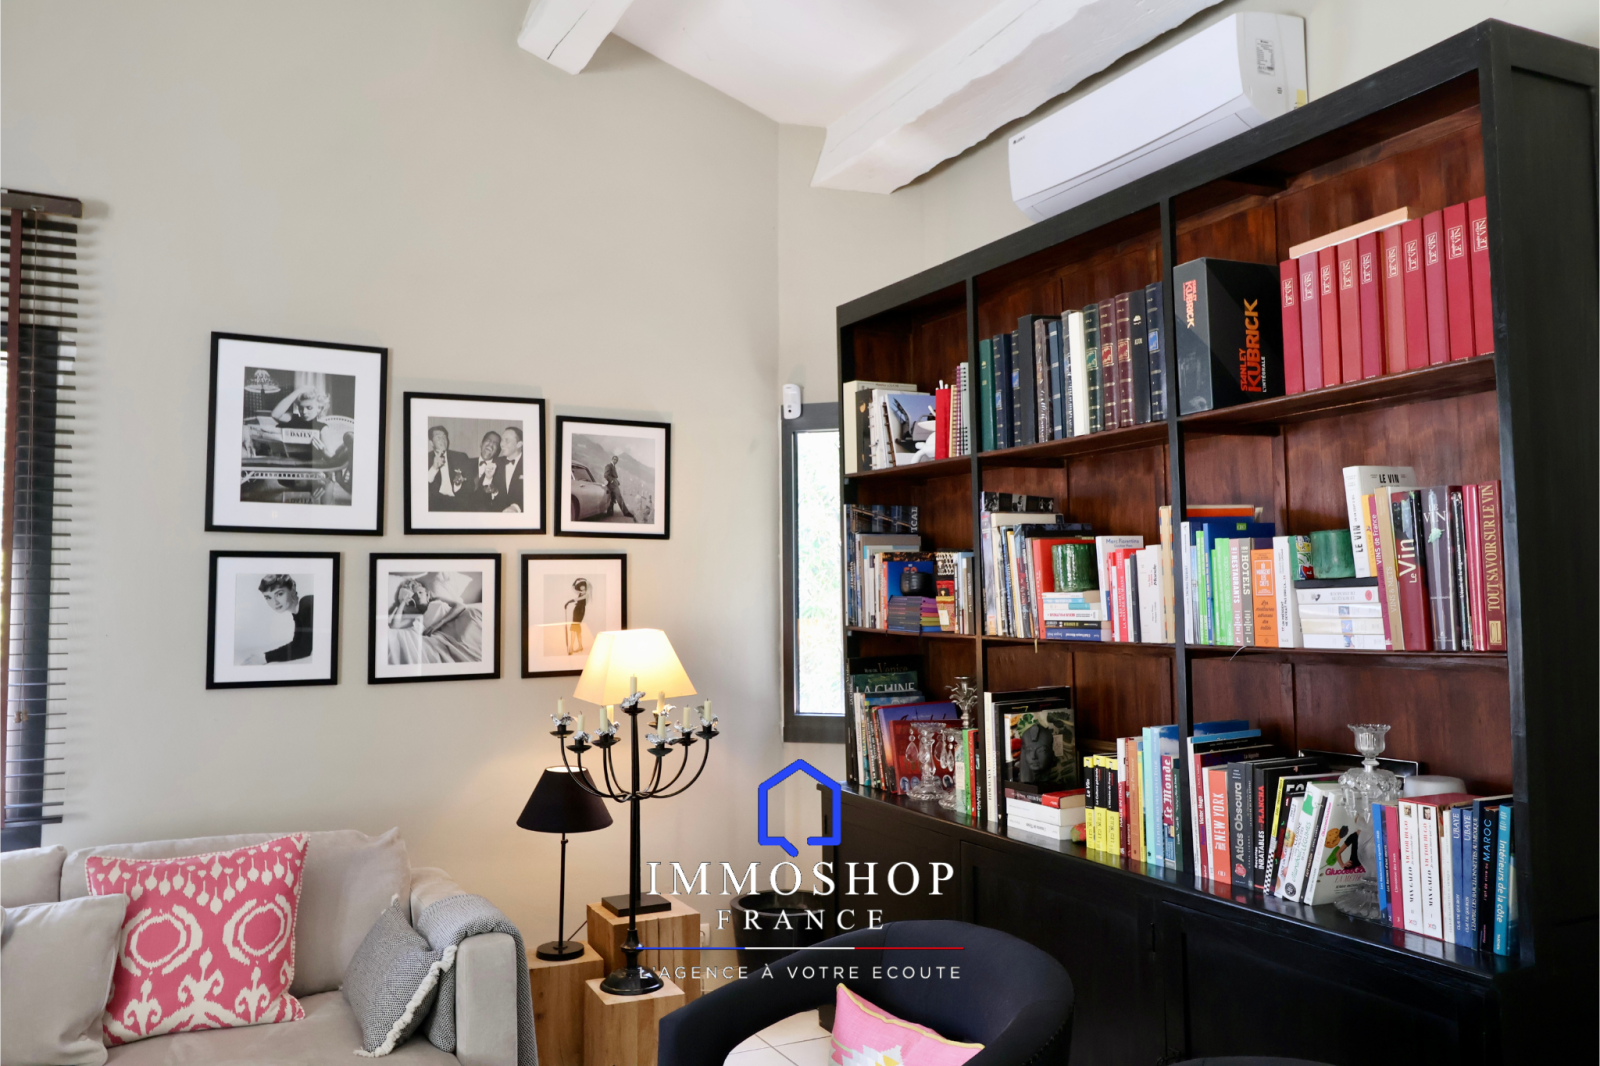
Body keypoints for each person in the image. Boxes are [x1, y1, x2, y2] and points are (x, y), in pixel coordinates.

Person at [241, 574, 313, 664]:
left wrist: (265, 659)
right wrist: (263, 656)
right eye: (268, 597)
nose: (275, 602)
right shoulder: (299, 611)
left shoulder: (307, 605)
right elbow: (296, 644)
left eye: (279, 594)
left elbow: (304, 650)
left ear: (292, 589)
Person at [426, 426, 471, 512]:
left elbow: (470, 484)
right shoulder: (425, 459)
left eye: (444, 437)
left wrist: (458, 485)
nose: (443, 440)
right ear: (431, 443)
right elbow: (421, 487)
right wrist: (434, 468)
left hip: (457, 501)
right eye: (438, 437)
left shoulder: (460, 457)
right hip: (436, 503)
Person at [464, 431, 502, 511]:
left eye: (495, 443)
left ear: (498, 450)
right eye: (488, 440)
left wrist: (494, 491)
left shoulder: (500, 469)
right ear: (481, 444)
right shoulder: (466, 463)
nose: (490, 445)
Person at [495, 425, 525, 513]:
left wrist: (516, 507)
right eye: (502, 440)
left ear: (519, 444)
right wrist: (488, 478)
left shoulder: (530, 464)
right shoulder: (495, 463)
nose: (501, 444)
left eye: (507, 440)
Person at [562, 578, 590, 656]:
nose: (582, 587)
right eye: (580, 586)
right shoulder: (580, 592)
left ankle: (571, 647)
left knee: (573, 628)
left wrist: (568, 602)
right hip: (576, 609)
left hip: (580, 611)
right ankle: (580, 646)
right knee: (577, 628)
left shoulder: (586, 594)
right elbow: (572, 587)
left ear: (585, 586)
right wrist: (576, 580)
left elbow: (578, 599)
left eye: (583, 586)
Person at [603, 453, 634, 519]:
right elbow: (606, 475)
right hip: (612, 485)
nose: (615, 461)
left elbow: (613, 476)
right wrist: (612, 481)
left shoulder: (613, 466)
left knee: (612, 498)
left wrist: (616, 481)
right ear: (612, 459)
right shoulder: (609, 465)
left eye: (616, 460)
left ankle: (610, 512)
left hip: (614, 483)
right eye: (614, 459)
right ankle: (626, 512)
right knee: (619, 497)